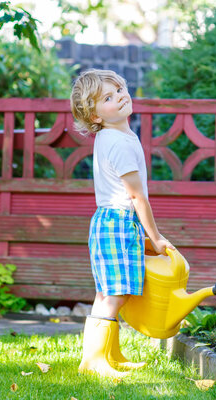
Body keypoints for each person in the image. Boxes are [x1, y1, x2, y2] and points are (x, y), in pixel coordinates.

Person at [70, 69, 174, 378]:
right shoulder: (121, 143)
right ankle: (95, 361)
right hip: (118, 222)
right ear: (94, 115)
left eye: (119, 90)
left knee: (109, 292)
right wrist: (155, 237)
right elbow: (137, 198)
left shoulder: (113, 135)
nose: (119, 97)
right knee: (113, 295)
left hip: (109, 222)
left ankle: (109, 354)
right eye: (107, 97)